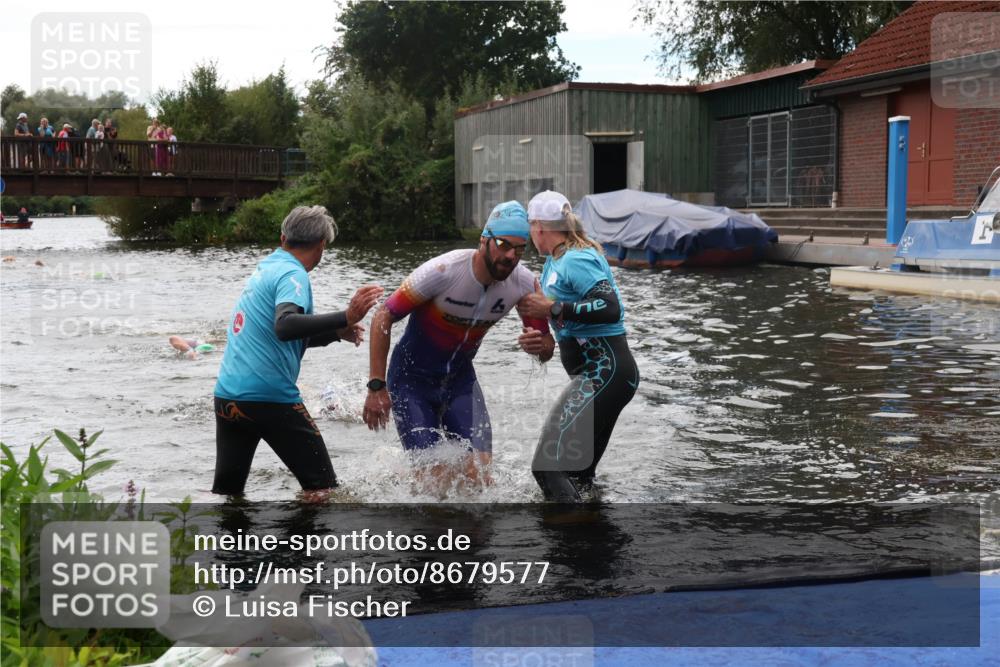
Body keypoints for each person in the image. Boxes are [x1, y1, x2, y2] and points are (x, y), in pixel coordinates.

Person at [362, 201, 555, 489]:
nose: (510, 256)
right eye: (503, 244)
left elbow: (548, 348)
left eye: (519, 249)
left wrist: (541, 346)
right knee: (435, 483)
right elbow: (383, 316)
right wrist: (377, 386)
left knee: (481, 480)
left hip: (460, 382)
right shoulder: (443, 271)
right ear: (484, 240)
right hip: (411, 380)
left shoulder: (524, 283)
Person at [213, 205, 383, 499]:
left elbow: (281, 335)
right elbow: (286, 325)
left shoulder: (266, 268)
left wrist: (333, 334)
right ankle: (294, 547)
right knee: (323, 491)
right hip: (269, 398)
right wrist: (346, 316)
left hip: (228, 396)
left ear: (283, 238)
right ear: (321, 246)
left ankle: (228, 545)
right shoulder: (293, 274)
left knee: (229, 496)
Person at [518, 191, 639, 502]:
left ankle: (566, 533)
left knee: (546, 467)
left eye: (530, 226)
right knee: (577, 475)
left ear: (539, 226)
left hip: (605, 372)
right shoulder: (554, 262)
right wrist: (541, 342)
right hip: (598, 376)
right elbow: (560, 326)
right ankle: (587, 546)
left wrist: (555, 309)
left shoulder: (575, 259)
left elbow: (610, 307)